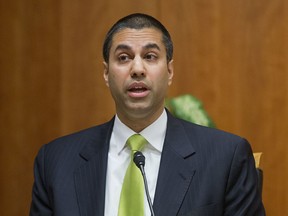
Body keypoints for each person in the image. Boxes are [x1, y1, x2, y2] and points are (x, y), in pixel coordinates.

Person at [29, 13, 265, 216]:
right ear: (106, 73)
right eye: (124, 58)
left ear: (170, 71)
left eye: (150, 56)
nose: (138, 69)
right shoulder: (56, 162)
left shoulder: (225, 158)